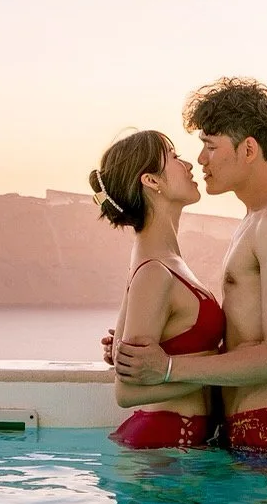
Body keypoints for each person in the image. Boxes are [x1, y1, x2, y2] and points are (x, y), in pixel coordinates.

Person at [115, 78, 267, 456]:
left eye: (210, 146)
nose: (201, 159)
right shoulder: (255, 219)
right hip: (243, 427)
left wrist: (166, 368)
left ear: (248, 149)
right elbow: (243, 331)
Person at [92, 130, 228, 449]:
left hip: (173, 450)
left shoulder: (163, 261)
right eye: (174, 157)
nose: (189, 164)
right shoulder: (155, 270)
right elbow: (126, 392)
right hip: (162, 452)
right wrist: (221, 363)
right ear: (152, 181)